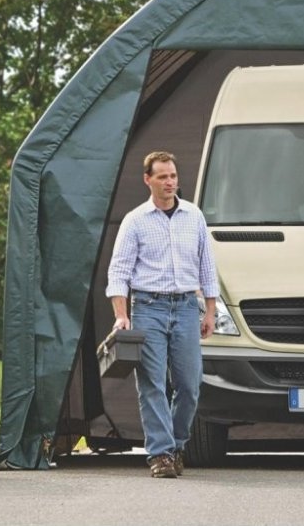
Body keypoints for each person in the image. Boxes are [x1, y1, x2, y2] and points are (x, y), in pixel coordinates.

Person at [106, 150, 218, 479]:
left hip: (186, 307)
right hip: (148, 308)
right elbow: (119, 272)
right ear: (148, 180)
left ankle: (176, 444)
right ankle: (161, 454)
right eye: (162, 177)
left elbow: (207, 267)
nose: (170, 182)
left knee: (190, 385)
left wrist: (210, 312)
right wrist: (121, 316)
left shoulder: (194, 216)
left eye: (173, 176)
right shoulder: (135, 221)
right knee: (152, 383)